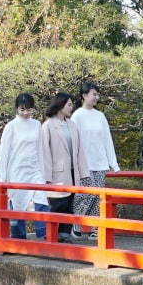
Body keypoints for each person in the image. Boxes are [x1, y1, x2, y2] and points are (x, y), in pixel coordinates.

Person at [40, 92, 90, 243]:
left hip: (73, 172)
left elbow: (80, 150)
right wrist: (47, 177)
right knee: (57, 205)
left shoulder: (72, 124)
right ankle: (53, 235)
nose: (71, 107)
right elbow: (45, 153)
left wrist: (84, 172)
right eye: (69, 104)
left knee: (69, 204)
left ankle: (65, 235)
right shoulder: (48, 125)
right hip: (57, 173)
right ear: (60, 105)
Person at [0, 92, 45, 240]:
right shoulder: (11, 127)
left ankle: (45, 234)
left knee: (41, 199)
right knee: (17, 204)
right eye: (22, 109)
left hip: (34, 169)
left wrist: (43, 173)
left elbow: (40, 150)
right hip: (16, 170)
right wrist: (1, 176)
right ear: (17, 109)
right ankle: (18, 238)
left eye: (29, 109)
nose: (26, 112)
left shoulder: (37, 125)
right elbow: (4, 153)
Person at [70, 83, 120, 228]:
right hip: (84, 163)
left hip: (100, 162)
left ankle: (95, 228)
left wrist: (113, 164)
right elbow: (73, 141)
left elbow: (107, 140)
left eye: (97, 95)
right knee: (84, 195)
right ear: (84, 96)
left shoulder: (100, 116)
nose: (96, 97)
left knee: (98, 197)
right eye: (94, 94)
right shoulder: (77, 116)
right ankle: (76, 223)